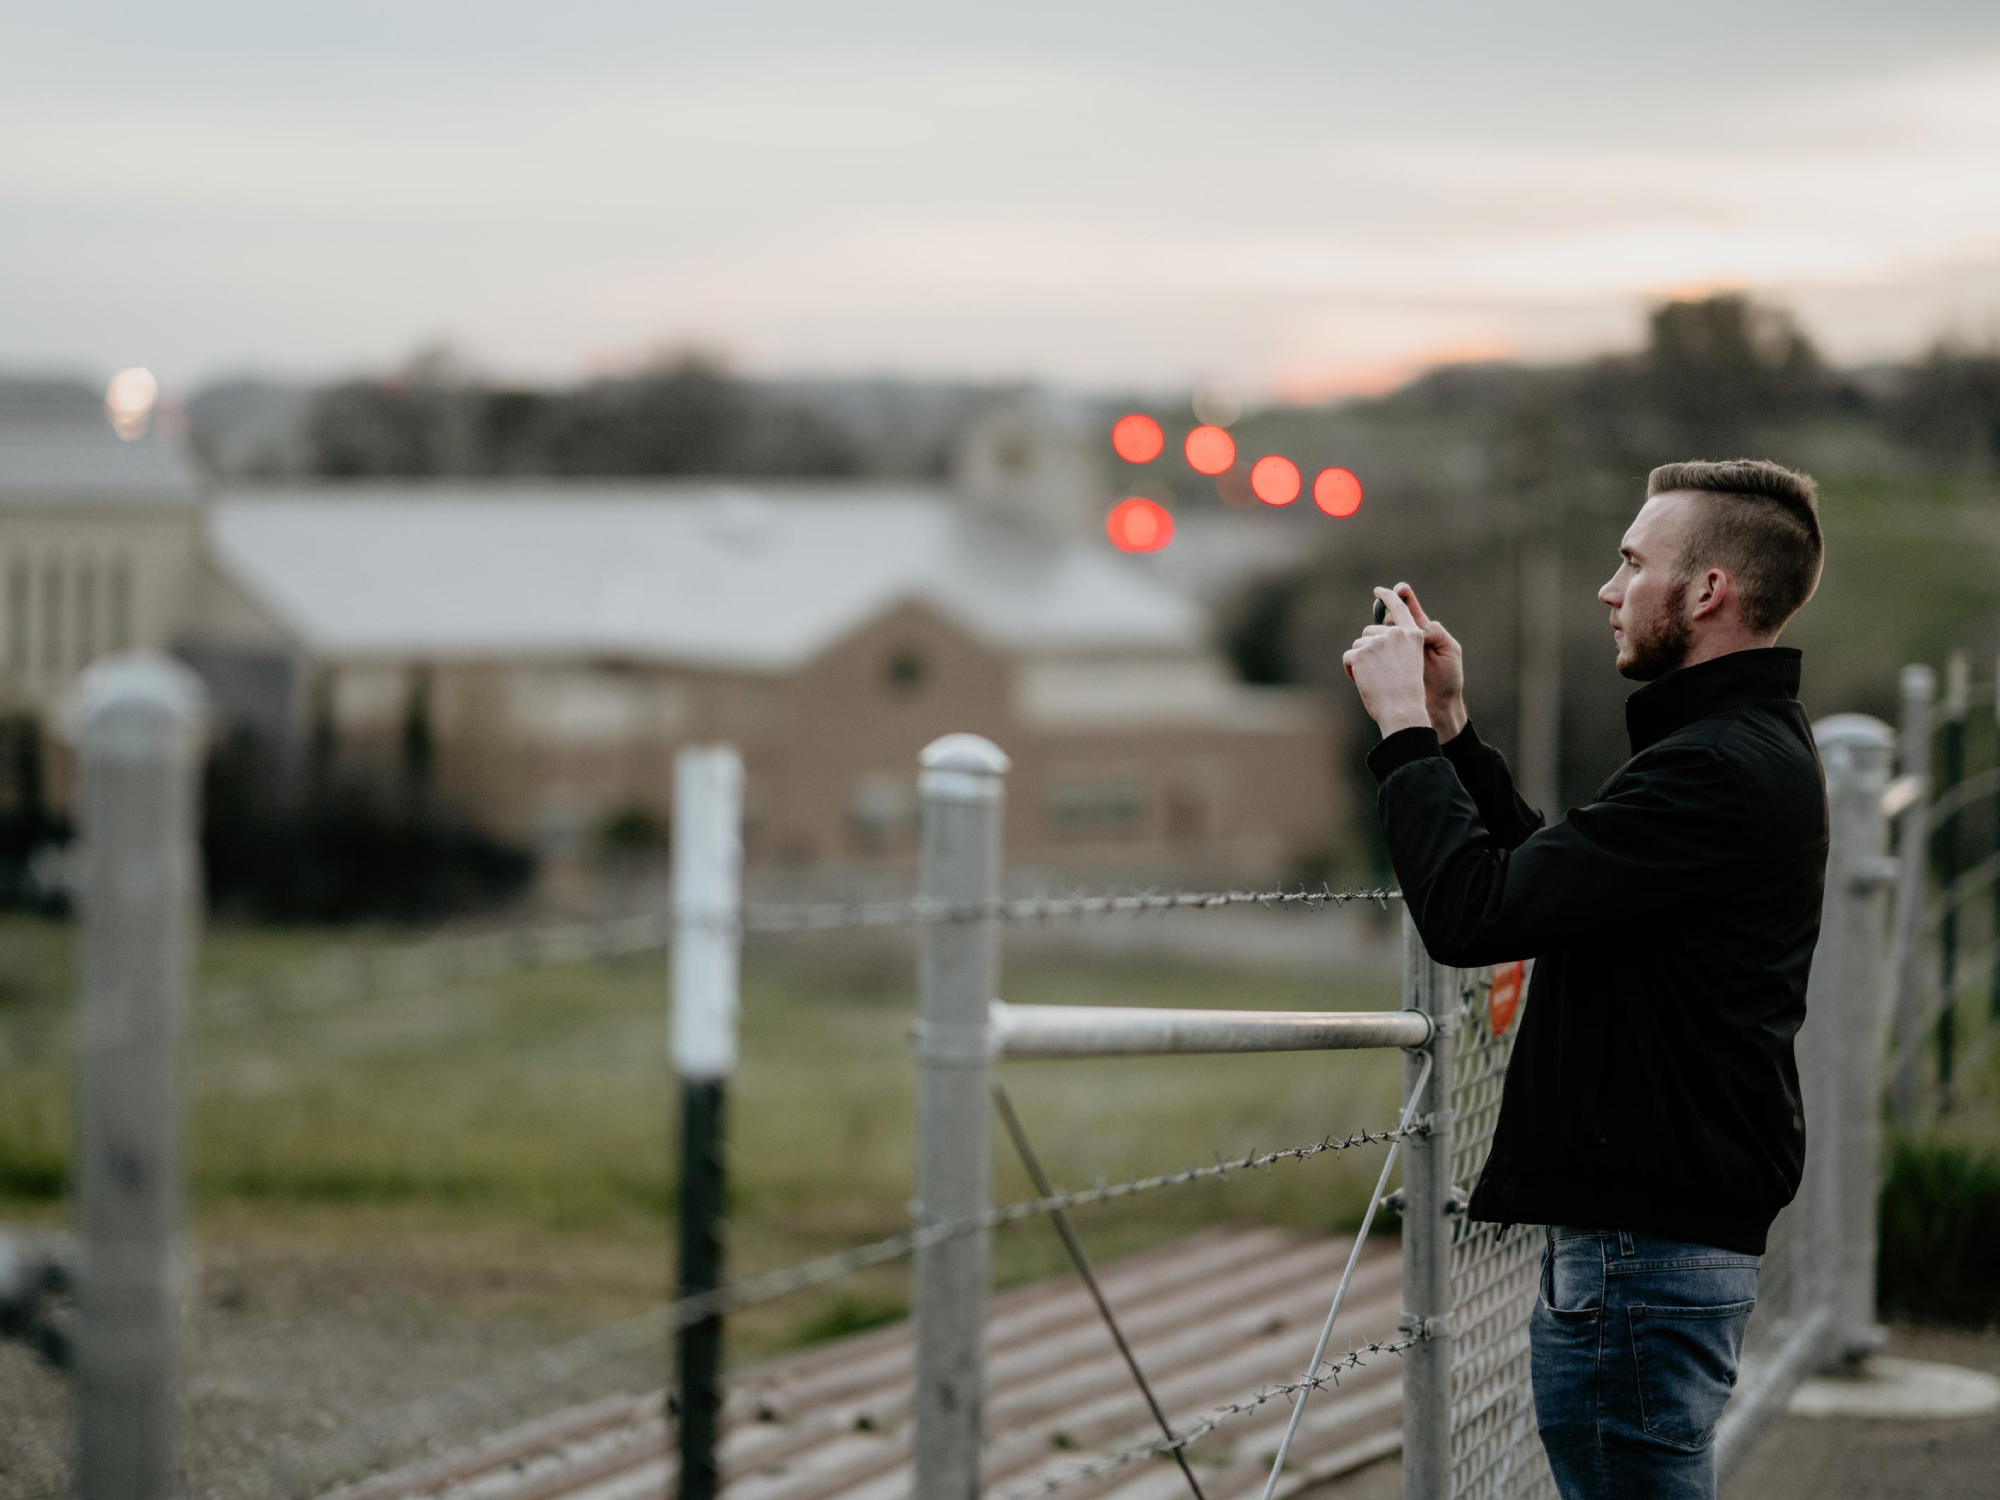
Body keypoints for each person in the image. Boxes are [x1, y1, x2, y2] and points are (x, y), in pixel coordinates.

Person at [1341, 459, 1830, 1500]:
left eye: (1630, 563)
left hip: (1640, 1253)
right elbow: (1555, 895)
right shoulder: (1737, 747)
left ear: (1706, 592)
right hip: (1653, 1241)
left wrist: (1398, 734)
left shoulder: (1709, 768)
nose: (1607, 591)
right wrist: (1455, 732)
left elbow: (1473, 913)